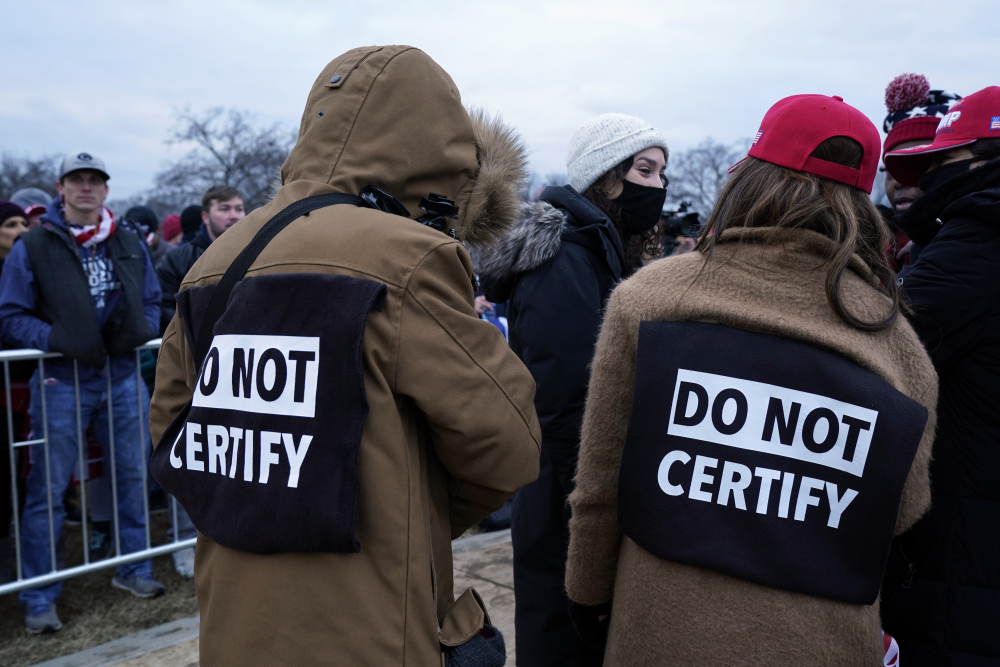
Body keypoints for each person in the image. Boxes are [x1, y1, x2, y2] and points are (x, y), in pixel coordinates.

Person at [148, 45, 540, 666]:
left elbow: (172, 428)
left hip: (235, 615)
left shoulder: (218, 256)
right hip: (372, 619)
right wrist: (413, 508)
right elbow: (508, 440)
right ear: (438, 142)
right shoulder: (408, 254)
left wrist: (264, 491)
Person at [565, 95, 938, 665]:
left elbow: (599, 491)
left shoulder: (651, 300)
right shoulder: (898, 346)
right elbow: (905, 510)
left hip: (659, 629)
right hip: (819, 638)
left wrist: (587, 598)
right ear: (863, 205)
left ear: (749, 177)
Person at [476, 113, 668, 667]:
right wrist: (597, 510)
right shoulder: (564, 258)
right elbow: (568, 397)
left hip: (568, 482)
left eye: (660, 173)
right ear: (605, 177)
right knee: (563, 633)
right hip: (565, 488)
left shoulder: (595, 247)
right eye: (645, 170)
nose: (658, 186)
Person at [0, 152, 165, 634]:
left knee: (134, 476)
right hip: (60, 381)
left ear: (106, 190)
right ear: (61, 187)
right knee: (46, 492)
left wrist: (140, 328)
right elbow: (10, 314)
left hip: (121, 375)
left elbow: (153, 300)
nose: (87, 188)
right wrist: (53, 340)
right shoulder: (34, 244)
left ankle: (136, 569)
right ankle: (40, 595)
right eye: (78, 180)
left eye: (95, 180)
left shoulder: (127, 240)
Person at [880, 85, 1000, 666]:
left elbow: (881, 355)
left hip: (964, 536)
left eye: (943, 163)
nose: (925, 183)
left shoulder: (978, 241)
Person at [880, 74, 962, 269]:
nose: (899, 182)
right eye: (891, 171)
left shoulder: (979, 238)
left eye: (915, 165)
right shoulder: (870, 244)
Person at [156, 186, 245, 333]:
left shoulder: (262, 255)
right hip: (195, 347)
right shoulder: (177, 258)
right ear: (205, 217)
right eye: (224, 209)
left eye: (239, 209)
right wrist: (197, 333)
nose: (234, 215)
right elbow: (164, 306)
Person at [0, 200, 30, 582]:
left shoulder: (27, 270)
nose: (22, 229)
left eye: (25, 222)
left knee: (21, 476)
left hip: (26, 389)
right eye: (11, 223)